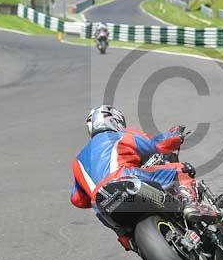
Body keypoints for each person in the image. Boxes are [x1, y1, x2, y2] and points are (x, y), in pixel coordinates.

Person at [69, 105, 197, 251]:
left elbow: (77, 199)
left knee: (124, 234)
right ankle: (190, 205)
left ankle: (129, 241)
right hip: (126, 179)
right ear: (115, 120)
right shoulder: (121, 135)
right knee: (182, 170)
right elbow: (156, 146)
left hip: (101, 203)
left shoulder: (78, 160)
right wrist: (175, 136)